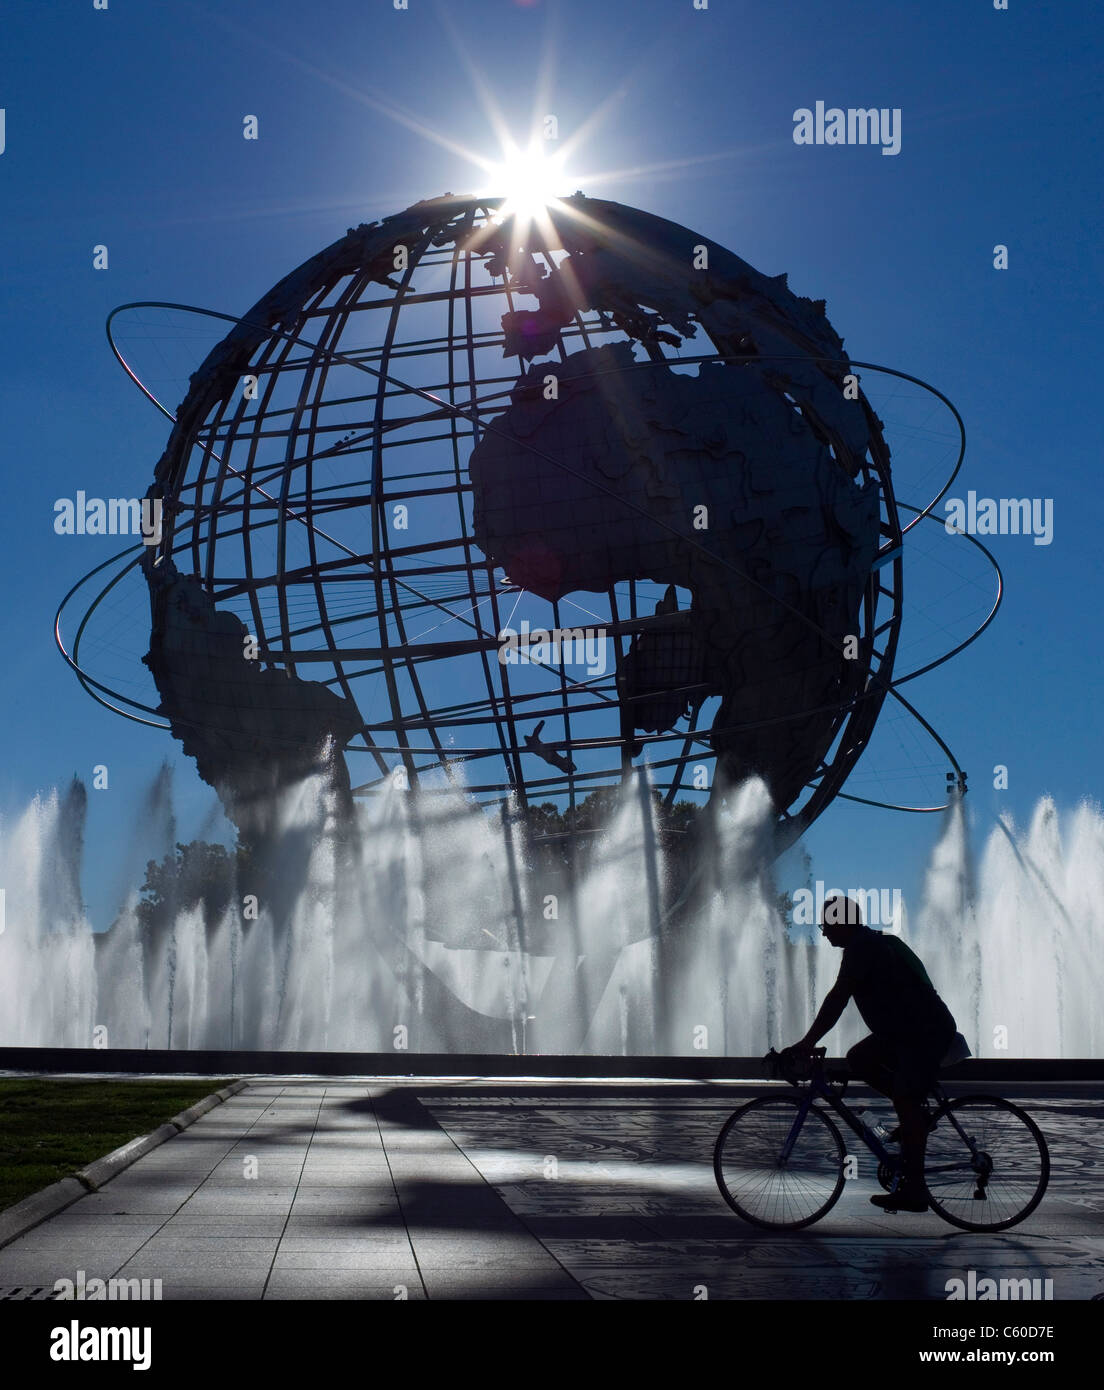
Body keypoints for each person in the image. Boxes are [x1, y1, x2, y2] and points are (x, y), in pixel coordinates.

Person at [783, 894, 957, 1212]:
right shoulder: (865, 943)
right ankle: (915, 1115)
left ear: (844, 923)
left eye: (826, 925)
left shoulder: (863, 947)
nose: (823, 933)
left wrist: (807, 1042)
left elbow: (838, 997)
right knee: (859, 1059)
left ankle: (916, 1190)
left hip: (924, 1033)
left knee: (905, 1097)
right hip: (904, 1033)